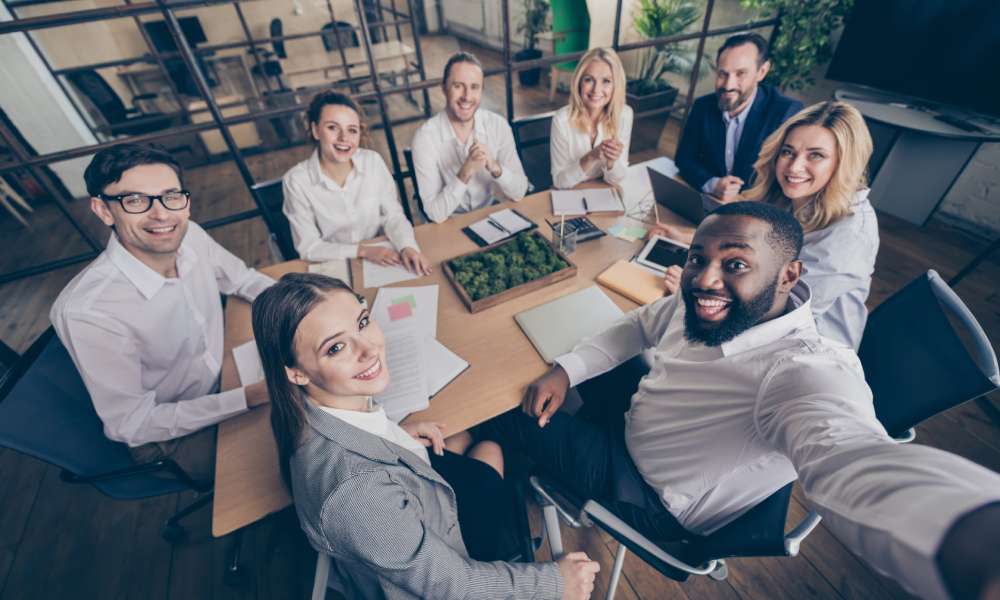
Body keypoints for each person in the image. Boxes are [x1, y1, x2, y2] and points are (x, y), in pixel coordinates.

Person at [480, 201, 1000, 600]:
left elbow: (849, 457)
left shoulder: (803, 370)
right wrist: (566, 371)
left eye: (735, 265)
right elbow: (640, 324)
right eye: (697, 259)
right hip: (643, 428)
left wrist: (969, 535)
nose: (706, 279)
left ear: (790, 275)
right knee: (549, 371)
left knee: (502, 410)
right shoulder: (702, 304)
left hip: (650, 495)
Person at [251, 273, 598, 600]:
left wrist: (394, 438)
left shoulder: (310, 408)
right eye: (336, 348)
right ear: (295, 373)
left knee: (463, 439)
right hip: (455, 565)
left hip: (418, 515)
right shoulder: (356, 495)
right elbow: (454, 584)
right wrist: (554, 582)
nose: (369, 349)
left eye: (361, 322)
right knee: (489, 448)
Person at [50, 143, 274, 481]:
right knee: (292, 453)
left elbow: (242, 279)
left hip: (226, 371)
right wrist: (246, 398)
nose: (161, 215)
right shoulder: (88, 311)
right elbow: (134, 425)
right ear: (104, 210)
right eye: (136, 200)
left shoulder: (191, 236)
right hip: (175, 433)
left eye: (171, 196)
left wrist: (307, 306)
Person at [656, 101, 878, 349]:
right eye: (788, 152)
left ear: (844, 163)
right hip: (749, 321)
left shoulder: (849, 234)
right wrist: (688, 237)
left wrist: (697, 294)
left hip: (802, 349)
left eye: (816, 155)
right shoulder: (787, 196)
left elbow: (781, 314)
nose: (794, 167)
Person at [283, 91, 431, 275]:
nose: (344, 138)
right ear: (315, 130)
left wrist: (407, 246)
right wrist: (363, 251)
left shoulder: (373, 162)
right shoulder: (296, 181)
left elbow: (393, 215)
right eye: (332, 127)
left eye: (352, 130)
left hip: (381, 260)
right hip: (335, 266)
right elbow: (308, 247)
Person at [674, 33, 802, 201]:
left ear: (761, 72)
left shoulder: (785, 113)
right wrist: (714, 184)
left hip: (757, 208)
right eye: (722, 74)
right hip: (711, 202)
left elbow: (786, 178)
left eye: (740, 73)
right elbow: (684, 158)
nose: (728, 85)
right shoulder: (702, 107)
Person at [411, 52, 529, 223]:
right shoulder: (425, 138)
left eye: (474, 87)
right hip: (449, 223)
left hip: (491, 215)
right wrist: (465, 172)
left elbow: (519, 191)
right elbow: (435, 214)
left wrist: (496, 167)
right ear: (444, 88)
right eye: (458, 86)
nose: (467, 96)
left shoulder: (498, 125)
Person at [549, 47, 633, 190]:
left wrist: (612, 162)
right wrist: (591, 157)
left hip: (604, 192)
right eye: (589, 80)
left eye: (606, 81)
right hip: (570, 194)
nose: (596, 90)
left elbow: (616, 179)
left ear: (616, 85)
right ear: (579, 82)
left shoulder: (624, 115)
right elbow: (559, 182)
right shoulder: (561, 120)